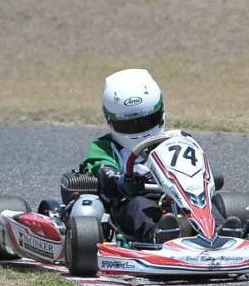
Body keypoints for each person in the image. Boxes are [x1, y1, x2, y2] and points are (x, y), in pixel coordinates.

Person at [81, 68, 239, 243]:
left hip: (181, 199)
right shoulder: (103, 146)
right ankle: (159, 234)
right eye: (129, 125)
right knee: (139, 205)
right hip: (131, 202)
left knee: (207, 202)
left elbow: (194, 166)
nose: (140, 130)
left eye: (147, 120)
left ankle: (220, 232)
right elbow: (103, 171)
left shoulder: (178, 139)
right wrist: (122, 182)